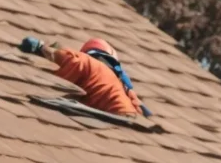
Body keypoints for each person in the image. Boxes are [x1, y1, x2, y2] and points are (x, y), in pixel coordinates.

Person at [17, 36, 152, 118]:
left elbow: (67, 57)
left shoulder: (88, 63)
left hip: (115, 115)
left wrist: (40, 47)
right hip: (124, 119)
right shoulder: (121, 84)